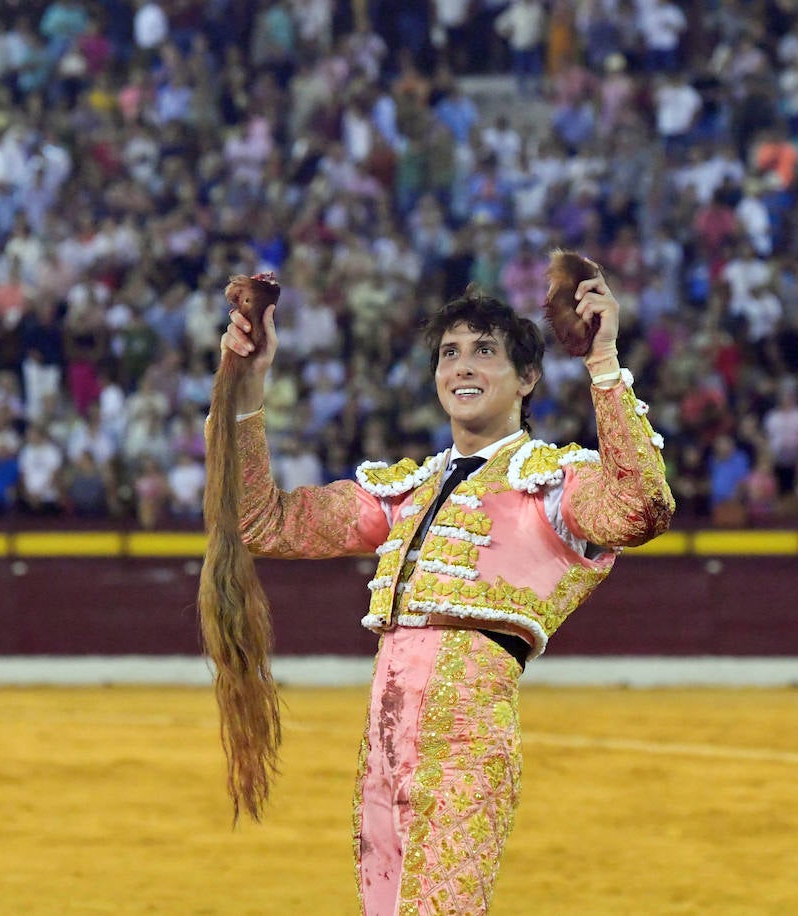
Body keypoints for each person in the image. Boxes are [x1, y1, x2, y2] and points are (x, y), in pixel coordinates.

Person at [217, 261, 674, 914]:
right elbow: (262, 520)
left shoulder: (554, 486)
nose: (462, 366)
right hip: (382, 745)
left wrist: (603, 363)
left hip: (466, 750)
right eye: (450, 353)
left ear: (527, 379)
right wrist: (251, 388)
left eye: (484, 352)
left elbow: (641, 507)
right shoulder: (408, 492)